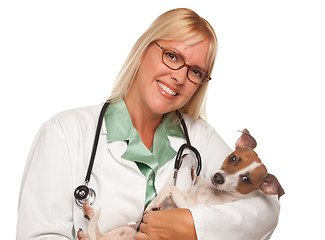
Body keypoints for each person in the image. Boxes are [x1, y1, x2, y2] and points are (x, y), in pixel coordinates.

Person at [16, 8, 280, 240]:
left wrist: (192, 225)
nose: (179, 77)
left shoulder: (200, 138)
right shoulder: (64, 133)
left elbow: (267, 208)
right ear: (143, 49)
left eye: (196, 71)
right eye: (173, 56)